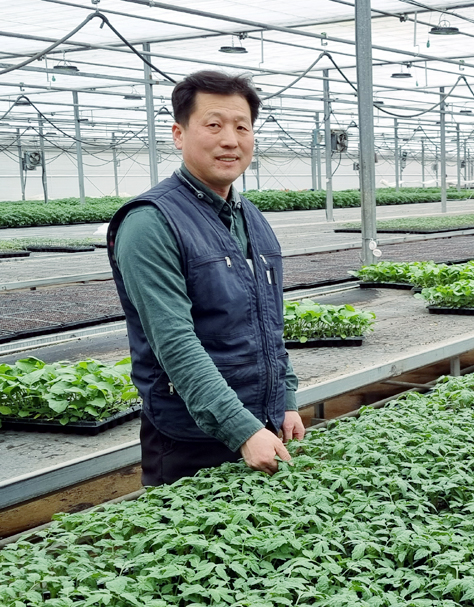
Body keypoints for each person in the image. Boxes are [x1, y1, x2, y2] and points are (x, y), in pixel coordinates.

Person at [107, 71, 304, 486]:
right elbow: (174, 343)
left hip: (261, 427)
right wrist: (242, 430)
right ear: (179, 134)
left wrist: (285, 399)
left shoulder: (250, 216)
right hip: (191, 439)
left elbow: (268, 322)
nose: (230, 140)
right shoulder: (150, 223)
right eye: (214, 125)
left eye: (241, 127)